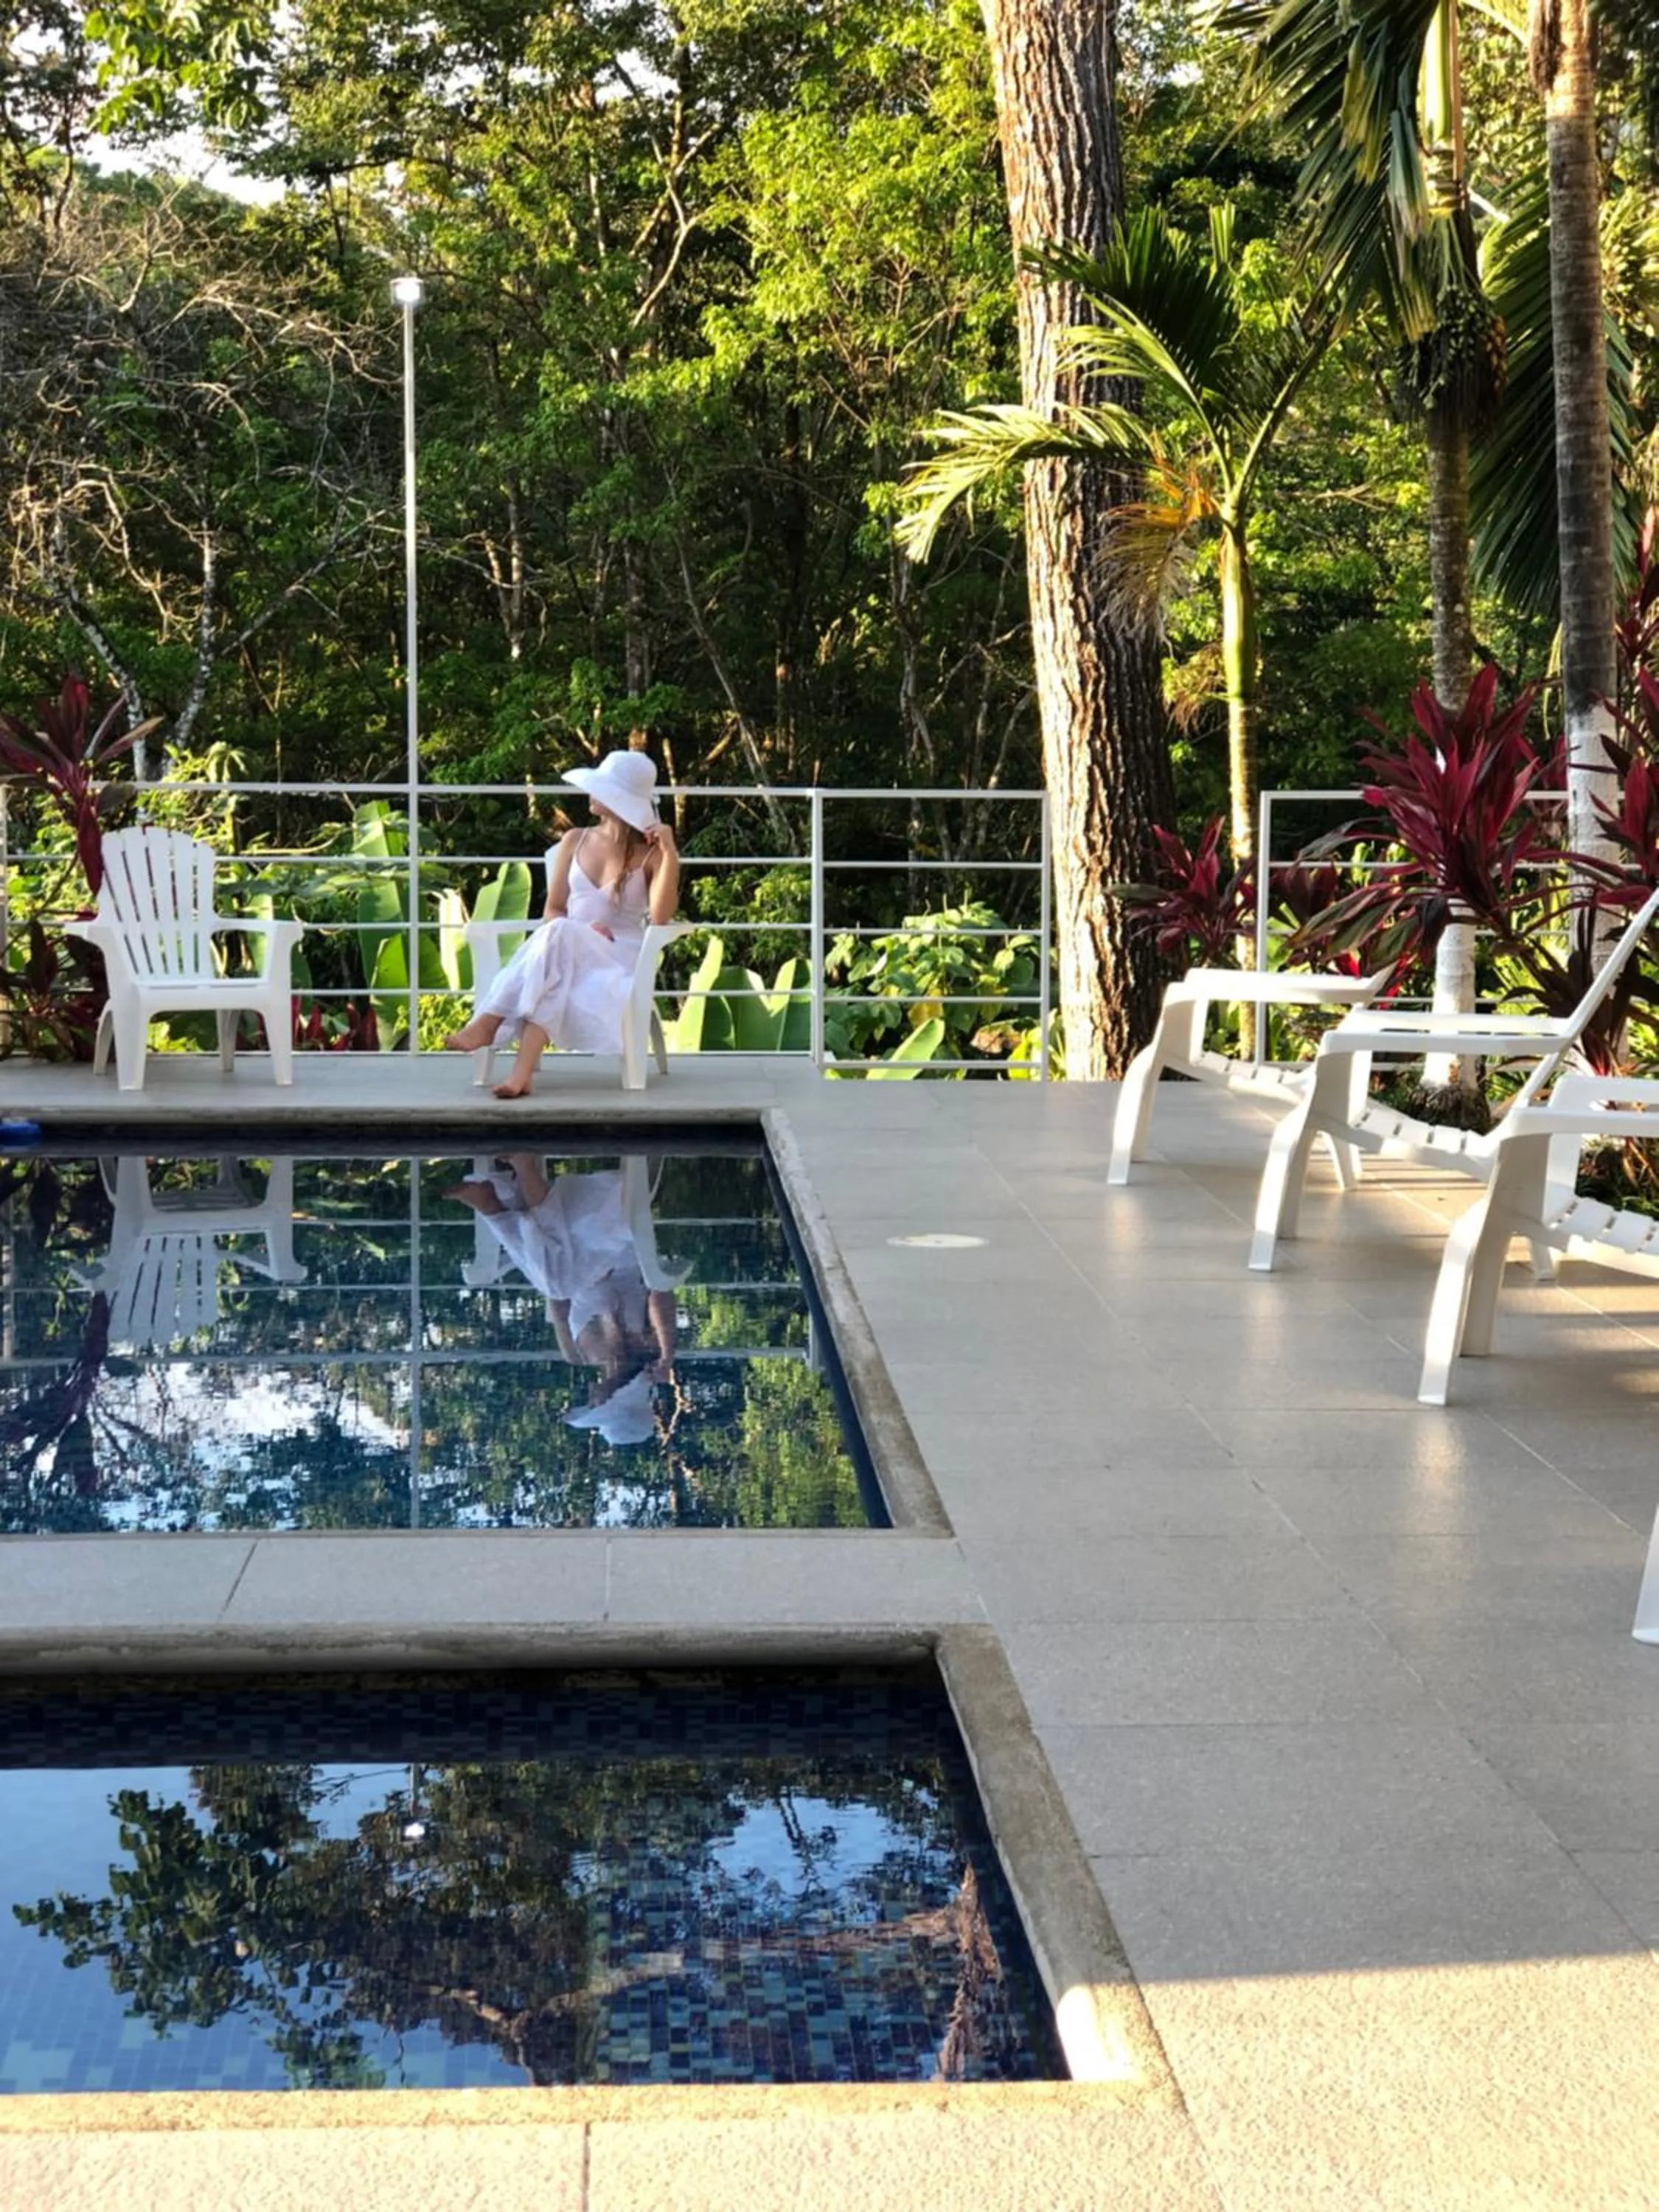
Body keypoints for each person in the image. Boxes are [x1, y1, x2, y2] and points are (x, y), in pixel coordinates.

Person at [444, 748, 680, 1099]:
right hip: (566, 945)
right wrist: (580, 933)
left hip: (620, 954)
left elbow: (660, 919)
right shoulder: (574, 840)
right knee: (559, 944)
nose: (590, 793)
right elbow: (554, 910)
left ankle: (490, 1022)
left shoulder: (650, 854)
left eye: (600, 788)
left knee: (559, 940)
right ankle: (521, 1075)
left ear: (617, 799)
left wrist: (669, 853)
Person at [446, 1153, 678, 1450]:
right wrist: (666, 1354)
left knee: (556, 1281)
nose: (592, 1399)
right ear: (611, 1399)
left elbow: (556, 1305)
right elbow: (660, 1289)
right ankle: (496, 1204)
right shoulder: (651, 1350)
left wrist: (582, 1275)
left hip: (573, 1254)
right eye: (597, 1405)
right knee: (557, 1279)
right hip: (615, 1248)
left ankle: (504, 1192)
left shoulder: (577, 1355)